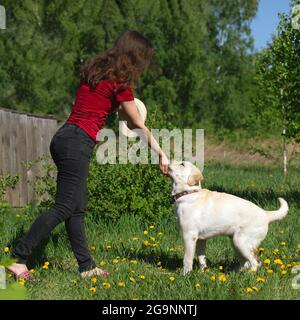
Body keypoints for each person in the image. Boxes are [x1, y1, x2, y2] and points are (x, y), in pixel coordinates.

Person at [7, 30, 169, 280]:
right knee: (63, 207)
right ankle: (19, 258)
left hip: (64, 137)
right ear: (136, 57)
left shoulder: (95, 70)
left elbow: (103, 106)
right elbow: (137, 123)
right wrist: (161, 154)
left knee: (76, 208)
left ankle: (86, 266)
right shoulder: (121, 82)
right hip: (78, 141)